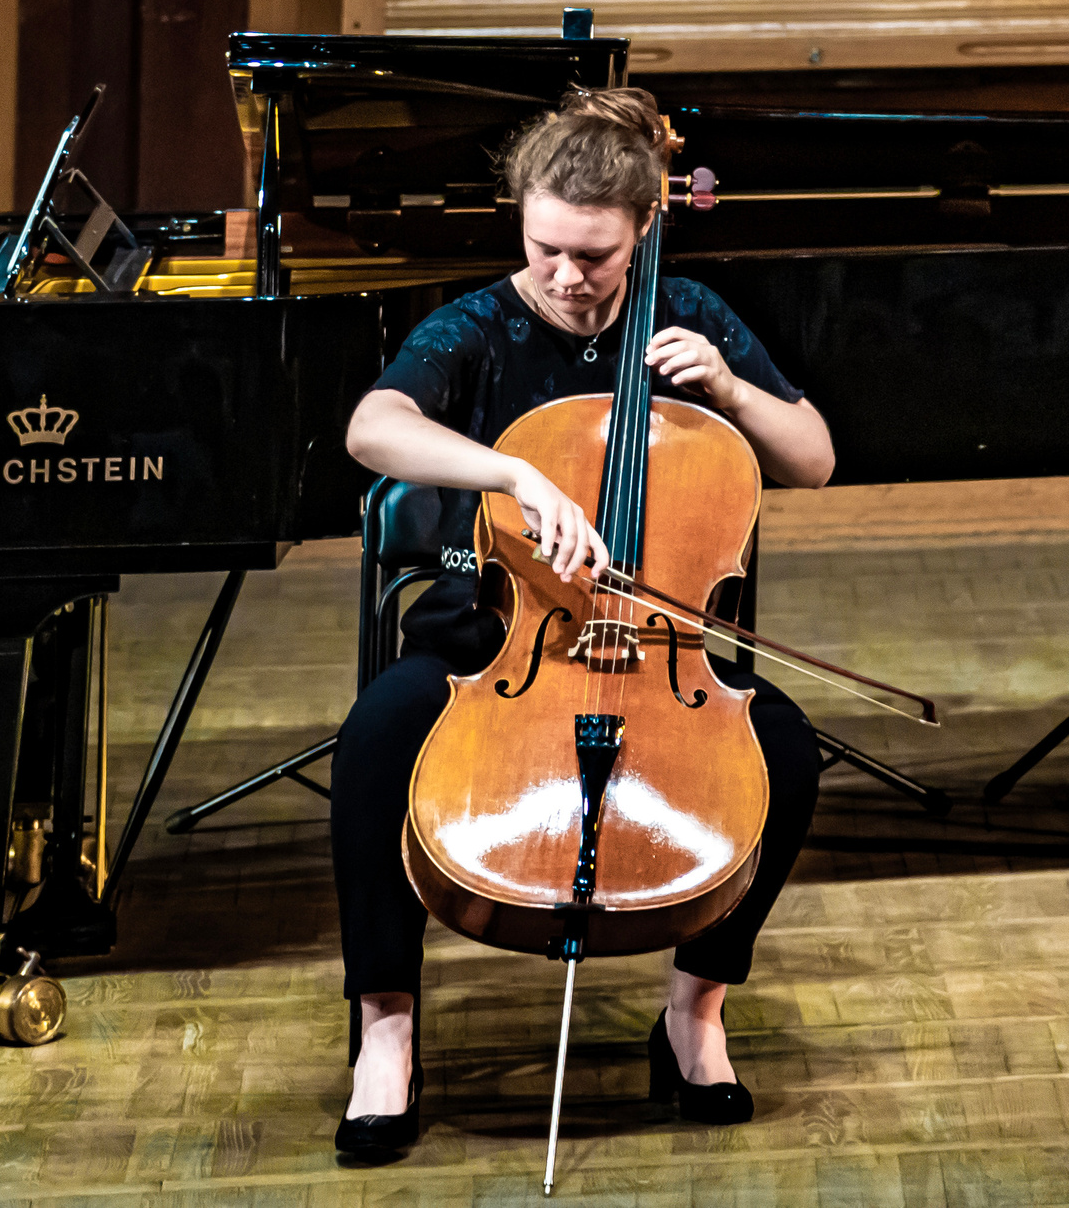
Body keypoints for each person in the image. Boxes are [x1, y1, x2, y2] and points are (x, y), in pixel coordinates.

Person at [328, 85, 835, 1162]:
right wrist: (512, 472)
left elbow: (815, 457)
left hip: (662, 649)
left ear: (644, 227)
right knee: (376, 737)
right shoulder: (476, 327)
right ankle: (385, 1030)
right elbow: (374, 430)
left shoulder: (689, 316)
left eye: (595, 256)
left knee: (786, 750)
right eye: (547, 247)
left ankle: (694, 1012)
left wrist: (736, 392)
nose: (567, 277)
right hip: (493, 634)